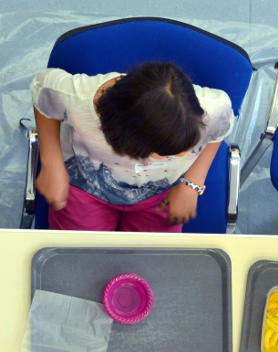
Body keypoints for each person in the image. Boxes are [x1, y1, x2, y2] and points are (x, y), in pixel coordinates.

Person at [30, 61, 234, 232]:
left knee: (151, 261)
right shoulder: (76, 97)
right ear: (124, 139)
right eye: (164, 153)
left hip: (160, 193)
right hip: (86, 186)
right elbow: (41, 87)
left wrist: (192, 183)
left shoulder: (212, 108)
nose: (183, 155)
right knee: (78, 257)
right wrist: (52, 162)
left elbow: (218, 132)